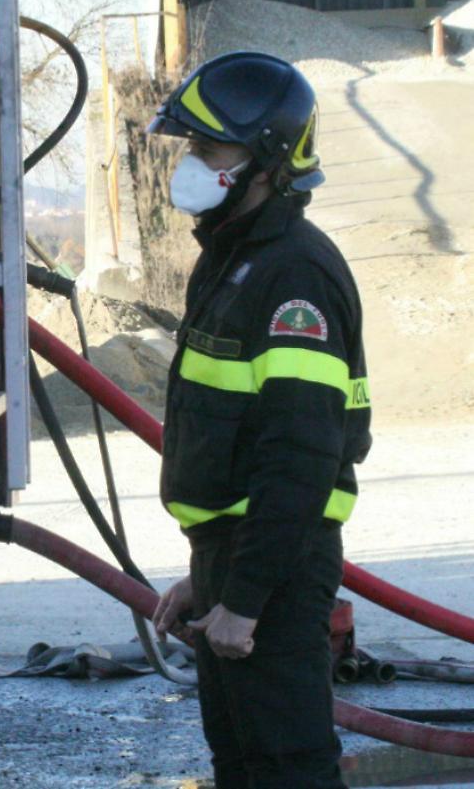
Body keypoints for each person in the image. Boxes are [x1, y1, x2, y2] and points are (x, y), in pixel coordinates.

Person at [147, 52, 372, 788]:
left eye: (209, 149)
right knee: (242, 765)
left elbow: (300, 458)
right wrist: (204, 576)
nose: (191, 162)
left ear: (269, 162)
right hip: (236, 557)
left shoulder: (293, 277)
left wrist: (243, 601)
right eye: (190, 145)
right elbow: (233, 439)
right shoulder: (234, 257)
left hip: (277, 564)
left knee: (288, 767)